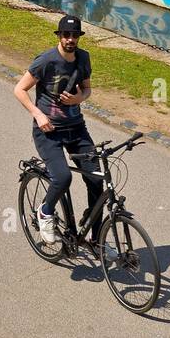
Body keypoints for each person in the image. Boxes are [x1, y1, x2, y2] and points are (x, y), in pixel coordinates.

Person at [13, 19, 102, 247]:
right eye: (66, 34)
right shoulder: (46, 60)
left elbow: (87, 88)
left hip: (76, 128)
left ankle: (96, 239)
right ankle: (45, 211)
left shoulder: (83, 57)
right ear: (59, 35)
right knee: (63, 177)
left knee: (96, 180)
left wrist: (79, 98)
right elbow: (19, 89)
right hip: (49, 131)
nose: (70, 39)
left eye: (74, 35)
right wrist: (38, 115)